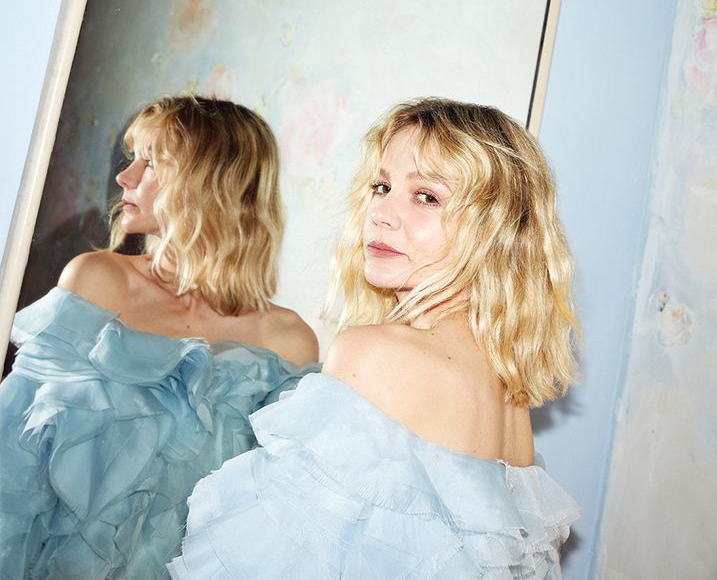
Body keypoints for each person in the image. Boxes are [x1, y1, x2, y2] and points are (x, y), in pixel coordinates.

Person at [168, 97, 581, 580]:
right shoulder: (509, 392)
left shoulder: (375, 353)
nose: (382, 212)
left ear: (495, 229)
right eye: (381, 186)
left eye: (426, 196)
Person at [0, 95, 319, 580]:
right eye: (133, 160)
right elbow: (12, 458)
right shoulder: (95, 281)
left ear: (208, 185)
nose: (124, 178)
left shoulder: (289, 343)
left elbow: (269, 518)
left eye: (151, 163)